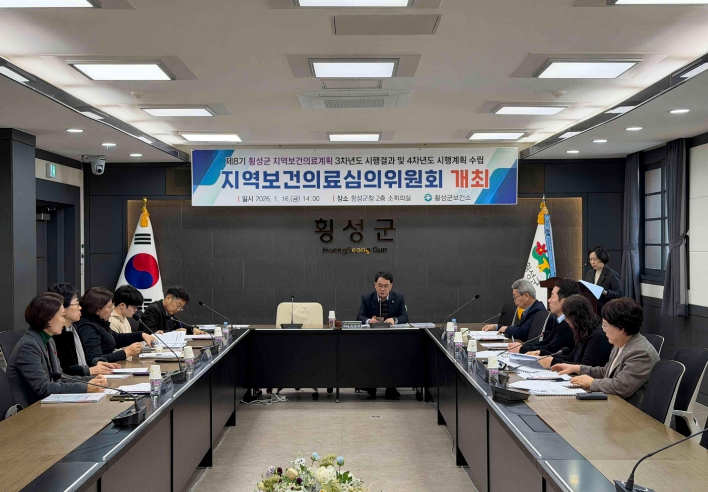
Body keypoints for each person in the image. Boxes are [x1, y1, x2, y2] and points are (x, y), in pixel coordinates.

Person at [551, 297, 659, 408]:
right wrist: (576, 368)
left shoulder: (640, 353)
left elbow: (621, 387)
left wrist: (592, 383)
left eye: (605, 325)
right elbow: (606, 372)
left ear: (621, 328)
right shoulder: (620, 343)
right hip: (613, 405)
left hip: (629, 413)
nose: (603, 329)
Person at [7, 294, 107, 410]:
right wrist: (86, 387)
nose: (64, 321)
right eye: (62, 316)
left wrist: (91, 381)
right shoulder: (28, 346)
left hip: (46, 406)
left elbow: (60, 377)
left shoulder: (49, 341)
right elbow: (44, 388)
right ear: (47, 317)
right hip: (30, 412)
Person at [356, 271, 408, 400]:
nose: (382, 289)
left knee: (394, 353)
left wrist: (394, 320)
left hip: (392, 338)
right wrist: (369, 320)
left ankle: (391, 388)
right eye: (379, 285)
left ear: (391, 286)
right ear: (375, 285)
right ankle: (371, 385)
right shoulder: (366, 298)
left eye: (386, 286)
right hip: (372, 338)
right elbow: (360, 317)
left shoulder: (399, 297)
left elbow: (404, 317)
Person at [49, 284, 119, 377]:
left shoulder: (73, 329)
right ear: (61, 307)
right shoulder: (56, 335)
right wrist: (87, 370)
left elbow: (85, 360)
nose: (80, 308)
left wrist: (96, 362)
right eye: (76, 304)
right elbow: (63, 371)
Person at [76, 287, 156, 363]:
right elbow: (95, 359)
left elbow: (116, 338)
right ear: (97, 310)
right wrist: (126, 352)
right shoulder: (88, 328)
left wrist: (141, 335)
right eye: (110, 307)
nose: (112, 310)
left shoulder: (100, 323)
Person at [535, 294, 612, 368]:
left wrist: (552, 362)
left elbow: (584, 367)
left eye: (567, 317)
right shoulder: (583, 331)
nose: (566, 321)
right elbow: (570, 359)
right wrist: (543, 354)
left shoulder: (597, 336)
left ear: (576, 317)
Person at [514, 278, 580, 355]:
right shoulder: (558, 320)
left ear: (564, 301)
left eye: (552, 296)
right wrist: (522, 346)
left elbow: (550, 349)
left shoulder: (568, 325)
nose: (549, 300)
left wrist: (522, 349)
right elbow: (546, 342)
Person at [482, 279, 546, 341]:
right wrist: (496, 327)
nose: (514, 300)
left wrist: (506, 329)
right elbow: (517, 328)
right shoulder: (531, 308)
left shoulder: (537, 311)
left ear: (526, 296)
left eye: (515, 297)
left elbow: (522, 333)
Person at [141, 286, 206, 335]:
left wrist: (192, 329)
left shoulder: (168, 312)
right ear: (168, 298)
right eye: (178, 305)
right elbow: (150, 332)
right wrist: (174, 332)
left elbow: (179, 325)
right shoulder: (153, 310)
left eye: (181, 307)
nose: (178, 309)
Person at [584, 246, 623, 313]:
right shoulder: (589, 274)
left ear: (602, 258)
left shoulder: (612, 275)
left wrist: (605, 292)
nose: (592, 262)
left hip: (605, 311)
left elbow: (619, 295)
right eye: (590, 259)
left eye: (595, 259)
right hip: (591, 310)